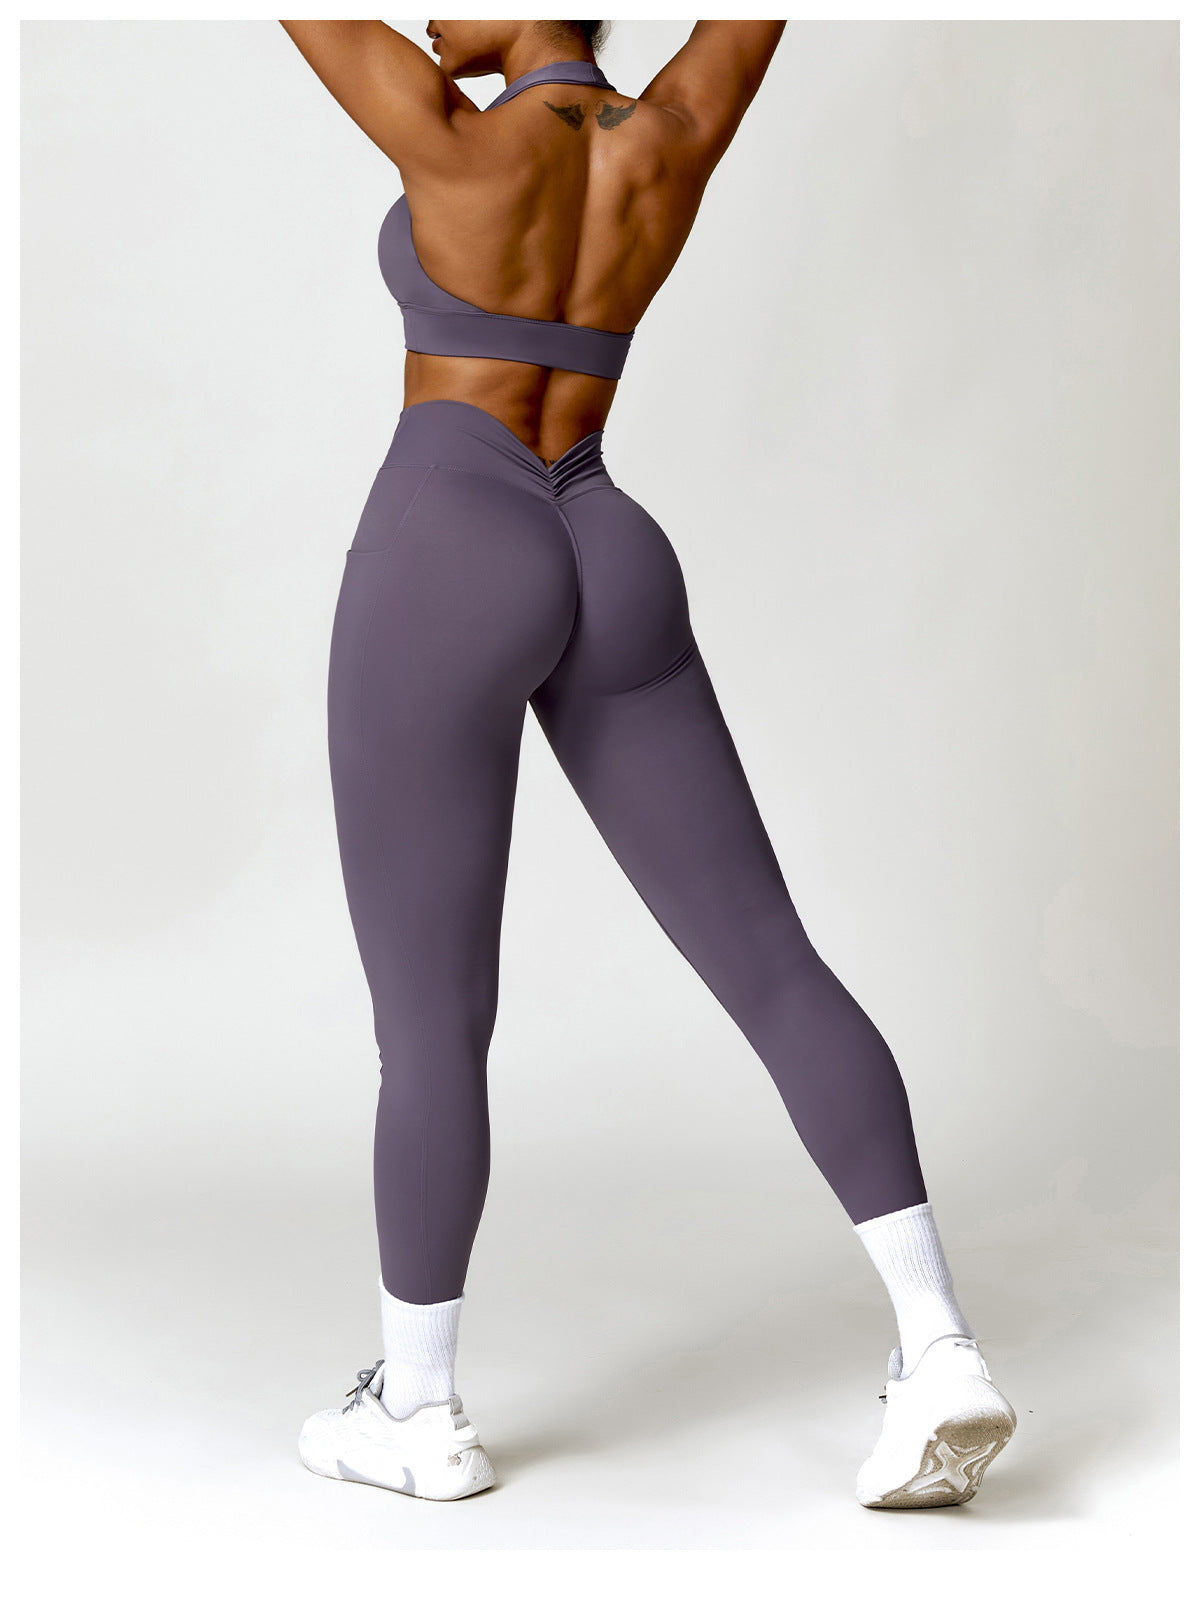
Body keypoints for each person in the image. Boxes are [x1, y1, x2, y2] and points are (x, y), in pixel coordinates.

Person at [279, 17, 1016, 1509]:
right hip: (607, 540)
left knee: (432, 1021)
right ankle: (940, 1346)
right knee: (775, 962)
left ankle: (417, 1412)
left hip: (448, 539)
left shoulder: (454, 136)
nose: (429, 19)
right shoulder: (669, 134)